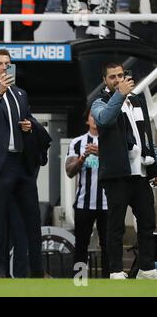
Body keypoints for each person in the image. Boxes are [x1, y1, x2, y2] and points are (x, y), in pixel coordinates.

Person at [0, 49, 44, 278]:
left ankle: (37, 272)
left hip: (21, 162)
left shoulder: (21, 93)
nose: (4, 67)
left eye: (8, 63)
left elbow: (29, 117)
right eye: (0, 63)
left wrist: (29, 125)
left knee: (32, 219)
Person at [91, 62, 157, 279]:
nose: (118, 80)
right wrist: (119, 95)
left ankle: (146, 268)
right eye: (113, 77)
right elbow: (105, 119)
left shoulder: (137, 101)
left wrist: (154, 167)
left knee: (147, 222)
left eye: (121, 75)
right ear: (105, 80)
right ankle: (116, 270)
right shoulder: (100, 102)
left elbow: (145, 136)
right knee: (116, 225)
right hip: (117, 174)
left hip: (140, 173)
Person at [65, 106, 109, 278]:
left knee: (108, 245)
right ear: (87, 119)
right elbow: (69, 171)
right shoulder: (77, 142)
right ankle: (80, 281)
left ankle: (108, 282)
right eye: (92, 115)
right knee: (81, 245)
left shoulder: (112, 142)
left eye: (100, 115)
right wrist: (82, 158)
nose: (95, 118)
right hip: (84, 202)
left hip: (108, 203)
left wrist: (101, 153)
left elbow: (120, 166)